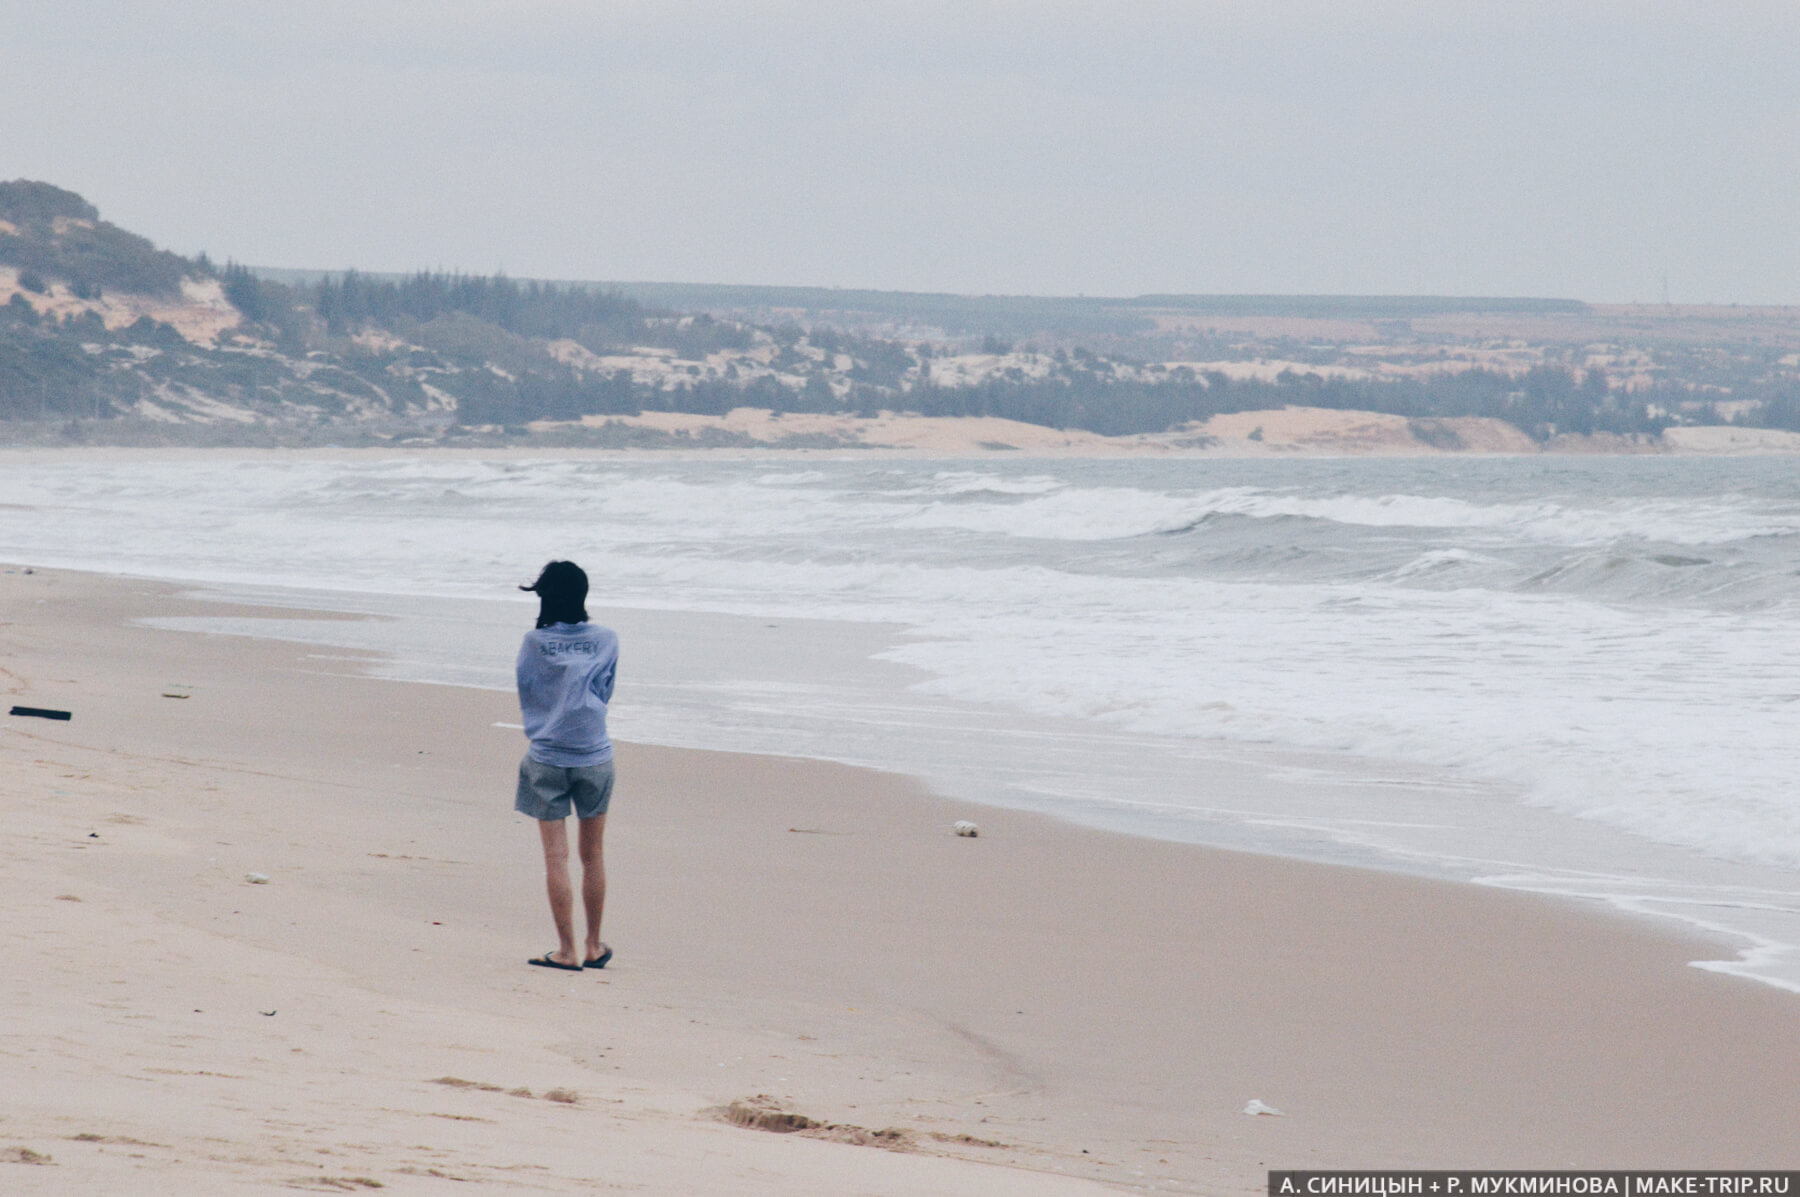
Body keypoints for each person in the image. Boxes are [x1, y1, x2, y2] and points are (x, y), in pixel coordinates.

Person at [513, 560, 619, 971]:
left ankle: (567, 950)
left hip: (547, 755)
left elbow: (528, 690)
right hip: (593, 753)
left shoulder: (534, 642)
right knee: (592, 855)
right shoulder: (607, 639)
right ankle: (593, 945)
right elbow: (604, 689)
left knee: (555, 858)